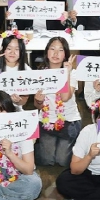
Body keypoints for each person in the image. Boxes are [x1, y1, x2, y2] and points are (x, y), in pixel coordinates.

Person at [33, 37, 80, 167]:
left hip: (68, 121)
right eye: (52, 49)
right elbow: (37, 105)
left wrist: (66, 73)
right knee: (46, 161)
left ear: (65, 54)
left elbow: (65, 98)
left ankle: (76, 145)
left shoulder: (72, 73)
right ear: (47, 52)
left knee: (62, 161)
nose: (55, 53)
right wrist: (38, 101)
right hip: (46, 121)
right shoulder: (40, 74)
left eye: (60, 50)